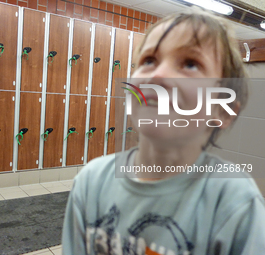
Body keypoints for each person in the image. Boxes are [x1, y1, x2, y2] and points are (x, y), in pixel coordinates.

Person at [62, 7, 265, 255]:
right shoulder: (90, 182)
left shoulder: (236, 203)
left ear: (222, 111)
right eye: (149, 60)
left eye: (190, 63)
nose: (157, 75)